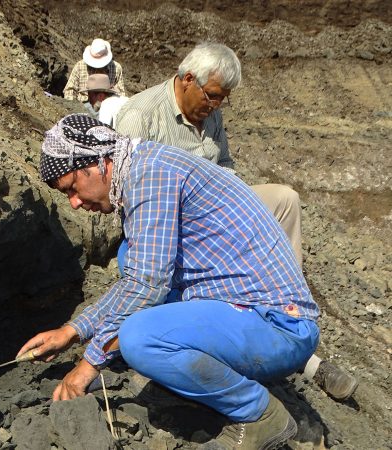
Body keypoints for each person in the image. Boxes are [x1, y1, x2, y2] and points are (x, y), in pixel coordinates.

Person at [18, 114, 320, 450]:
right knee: (130, 256)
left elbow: (147, 288)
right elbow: (140, 280)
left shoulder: (150, 177)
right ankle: (201, 376)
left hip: (278, 326)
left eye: (72, 188)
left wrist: (87, 365)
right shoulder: (145, 165)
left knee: (139, 338)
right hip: (251, 310)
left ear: (99, 162)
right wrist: (71, 331)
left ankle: (259, 414)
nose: (74, 202)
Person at [114, 42, 357, 401]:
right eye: (212, 96)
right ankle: (294, 352)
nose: (215, 106)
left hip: (218, 209)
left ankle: (282, 305)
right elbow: (129, 193)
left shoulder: (210, 112)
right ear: (187, 80)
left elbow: (225, 167)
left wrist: (236, 213)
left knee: (284, 199)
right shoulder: (140, 116)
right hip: (175, 224)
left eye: (222, 99)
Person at [63, 38, 126, 102]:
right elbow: (69, 90)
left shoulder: (116, 68)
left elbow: (120, 93)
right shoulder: (80, 66)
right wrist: (74, 106)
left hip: (107, 105)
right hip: (83, 104)